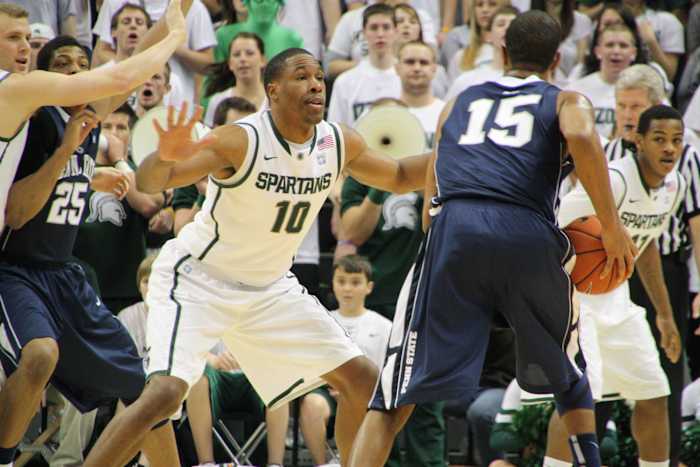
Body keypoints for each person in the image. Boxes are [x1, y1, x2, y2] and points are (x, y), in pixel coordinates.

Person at [82, 46, 431, 467]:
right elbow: (153, 181)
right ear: (273, 90)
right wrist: (163, 156)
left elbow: (399, 175)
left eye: (319, 77)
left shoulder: (337, 141)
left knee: (365, 382)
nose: (316, 85)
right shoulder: (241, 140)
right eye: (301, 76)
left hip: (269, 286)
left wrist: (459, 153)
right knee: (164, 394)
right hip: (198, 279)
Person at [346, 10, 637, 467]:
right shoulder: (566, 99)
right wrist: (612, 227)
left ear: (503, 53)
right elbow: (582, 133)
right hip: (526, 232)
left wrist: (439, 236)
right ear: (557, 60)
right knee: (571, 376)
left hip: (456, 229)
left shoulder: (459, 101)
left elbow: (431, 181)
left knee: (394, 395)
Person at [544, 104, 685, 467]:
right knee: (579, 399)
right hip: (577, 299)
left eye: (676, 140)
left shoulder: (675, 185)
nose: (669, 148)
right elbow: (553, 227)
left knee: (654, 392)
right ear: (638, 141)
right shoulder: (614, 180)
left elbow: (645, 244)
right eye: (659, 139)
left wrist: (665, 314)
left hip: (618, 299)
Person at [0, 0, 185, 232]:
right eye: (13, 37)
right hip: (19, 250)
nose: (26, 47)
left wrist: (89, 176)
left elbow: (137, 58)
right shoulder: (29, 103)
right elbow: (123, 78)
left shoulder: (83, 115)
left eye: (27, 38)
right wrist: (176, 35)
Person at [604, 65, 700, 467]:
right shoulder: (607, 156)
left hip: (667, 270)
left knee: (663, 373)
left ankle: (666, 459)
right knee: (599, 374)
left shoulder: (685, 158)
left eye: (636, 107)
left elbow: (694, 228)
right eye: (622, 106)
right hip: (607, 275)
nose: (628, 115)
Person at [299, 255, 392, 467]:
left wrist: (353, 389)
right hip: (327, 390)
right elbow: (311, 364)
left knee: (370, 403)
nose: (347, 288)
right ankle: (322, 463)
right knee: (312, 404)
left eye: (355, 282)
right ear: (332, 284)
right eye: (341, 281)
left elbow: (386, 373)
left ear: (369, 287)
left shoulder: (384, 327)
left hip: (369, 395)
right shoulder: (322, 321)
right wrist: (338, 385)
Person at [327, 4, 401, 126]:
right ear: (364, 32)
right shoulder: (345, 82)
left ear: (396, 32)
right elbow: (334, 130)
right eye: (374, 28)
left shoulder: (408, 79)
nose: (380, 34)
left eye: (386, 27)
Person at [445, 6, 517, 101]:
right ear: (488, 35)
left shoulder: (531, 80)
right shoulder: (467, 81)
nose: (507, 28)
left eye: (513, 25)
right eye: (501, 24)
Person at [202, 31, 267, 127]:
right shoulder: (217, 100)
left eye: (249, 53)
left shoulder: (273, 100)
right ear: (230, 64)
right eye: (236, 54)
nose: (243, 59)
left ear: (263, 60)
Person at [214, 0, 302, 65]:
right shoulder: (224, 35)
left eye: (271, 1)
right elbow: (214, 78)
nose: (265, 5)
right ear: (247, 3)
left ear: (279, 3)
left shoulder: (292, 38)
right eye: (258, 1)